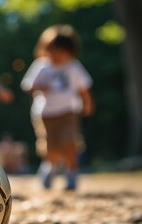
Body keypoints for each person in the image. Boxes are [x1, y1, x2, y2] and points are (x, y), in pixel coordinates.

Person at [21, 25, 95, 190]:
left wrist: (88, 103)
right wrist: (40, 87)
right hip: (45, 115)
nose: (55, 55)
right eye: (51, 50)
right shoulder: (41, 66)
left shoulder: (73, 67)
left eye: (59, 51)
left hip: (68, 112)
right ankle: (50, 167)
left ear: (69, 51)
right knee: (50, 147)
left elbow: (83, 87)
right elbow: (27, 86)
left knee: (70, 143)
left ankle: (71, 174)